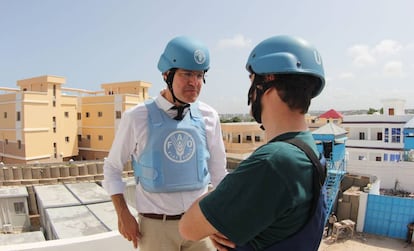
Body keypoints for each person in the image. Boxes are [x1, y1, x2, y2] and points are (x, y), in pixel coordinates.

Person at [179, 35, 327, 251]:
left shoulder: (274, 161)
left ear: (268, 82)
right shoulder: (309, 151)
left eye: (252, 80)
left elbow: (189, 228)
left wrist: (221, 206)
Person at [102, 35, 227, 251]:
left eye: (199, 75)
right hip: (155, 228)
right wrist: (123, 214)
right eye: (186, 74)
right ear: (167, 75)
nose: (194, 82)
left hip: (200, 224)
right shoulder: (137, 117)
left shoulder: (209, 116)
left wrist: (221, 218)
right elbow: (112, 167)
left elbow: (218, 173)